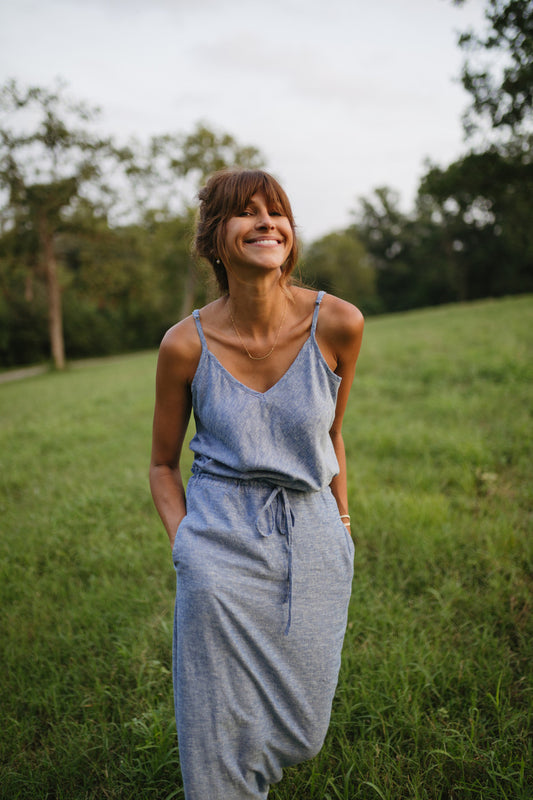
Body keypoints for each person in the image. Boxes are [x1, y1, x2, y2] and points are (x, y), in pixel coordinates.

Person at [149, 168, 364, 799]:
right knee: (215, 731)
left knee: (304, 726)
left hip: (313, 530)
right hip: (217, 539)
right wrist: (186, 544)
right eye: (247, 212)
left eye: (277, 212)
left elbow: (332, 437)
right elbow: (162, 464)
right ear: (215, 238)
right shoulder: (184, 345)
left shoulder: (339, 324)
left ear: (290, 236)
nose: (266, 221)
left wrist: (344, 527)